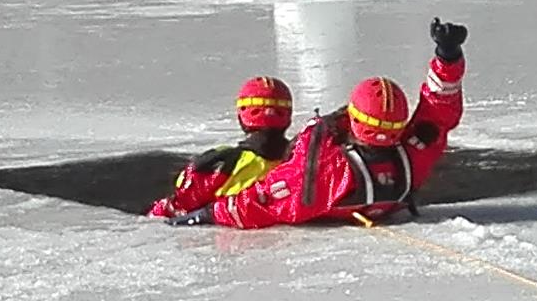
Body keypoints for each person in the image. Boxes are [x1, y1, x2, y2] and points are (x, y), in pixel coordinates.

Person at [166, 18, 467, 229]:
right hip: (388, 202)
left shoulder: (327, 170)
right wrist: (448, 60)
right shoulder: (412, 156)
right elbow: (439, 111)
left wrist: (206, 214)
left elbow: (261, 202)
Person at [148, 75, 295, 219]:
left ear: (242, 117)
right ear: (288, 117)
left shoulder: (220, 162)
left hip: (229, 240)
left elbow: (177, 205)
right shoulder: (301, 159)